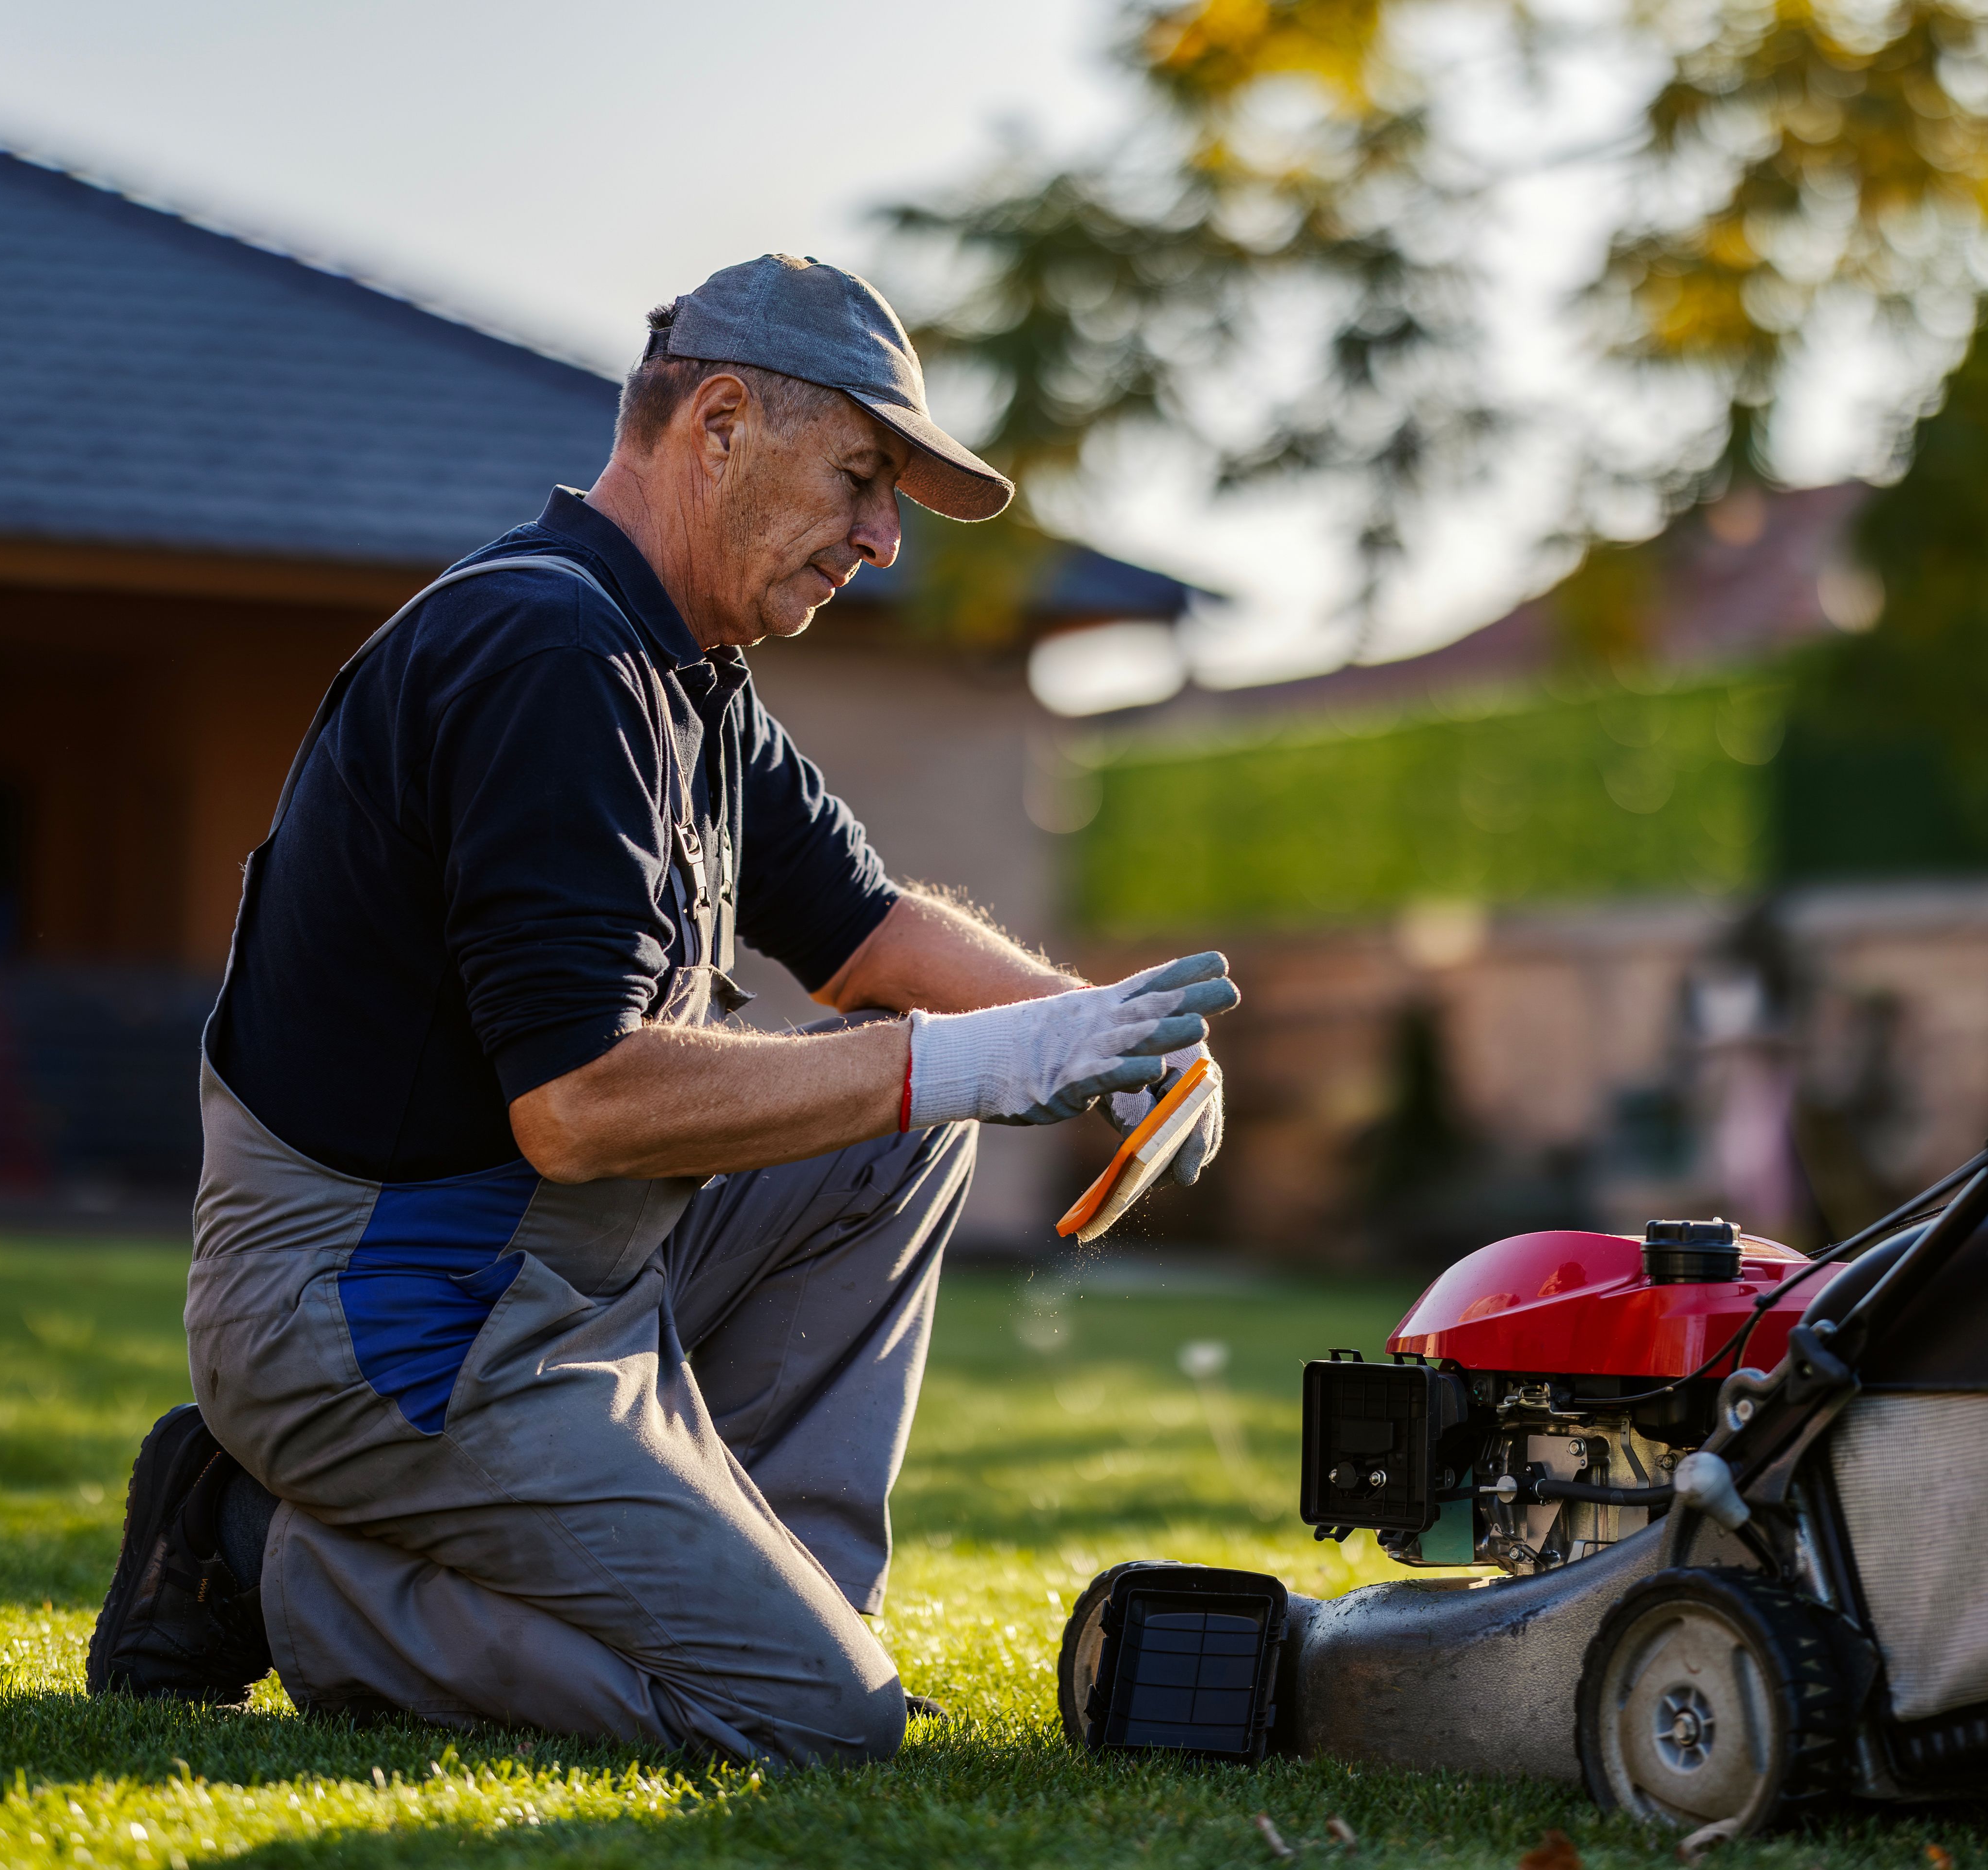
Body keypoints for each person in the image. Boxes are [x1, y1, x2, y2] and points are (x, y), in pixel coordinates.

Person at [83, 254, 1236, 1767]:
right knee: (811, 1727)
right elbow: (581, 1109)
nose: (882, 539)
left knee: (901, 1135)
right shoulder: (546, 654)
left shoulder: (684, 669)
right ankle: (268, 1558)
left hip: (558, 1274)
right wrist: (980, 1058)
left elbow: (868, 931)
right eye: (861, 477)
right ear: (721, 423)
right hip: (391, 1321)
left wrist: (1105, 1032)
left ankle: (804, 1604)